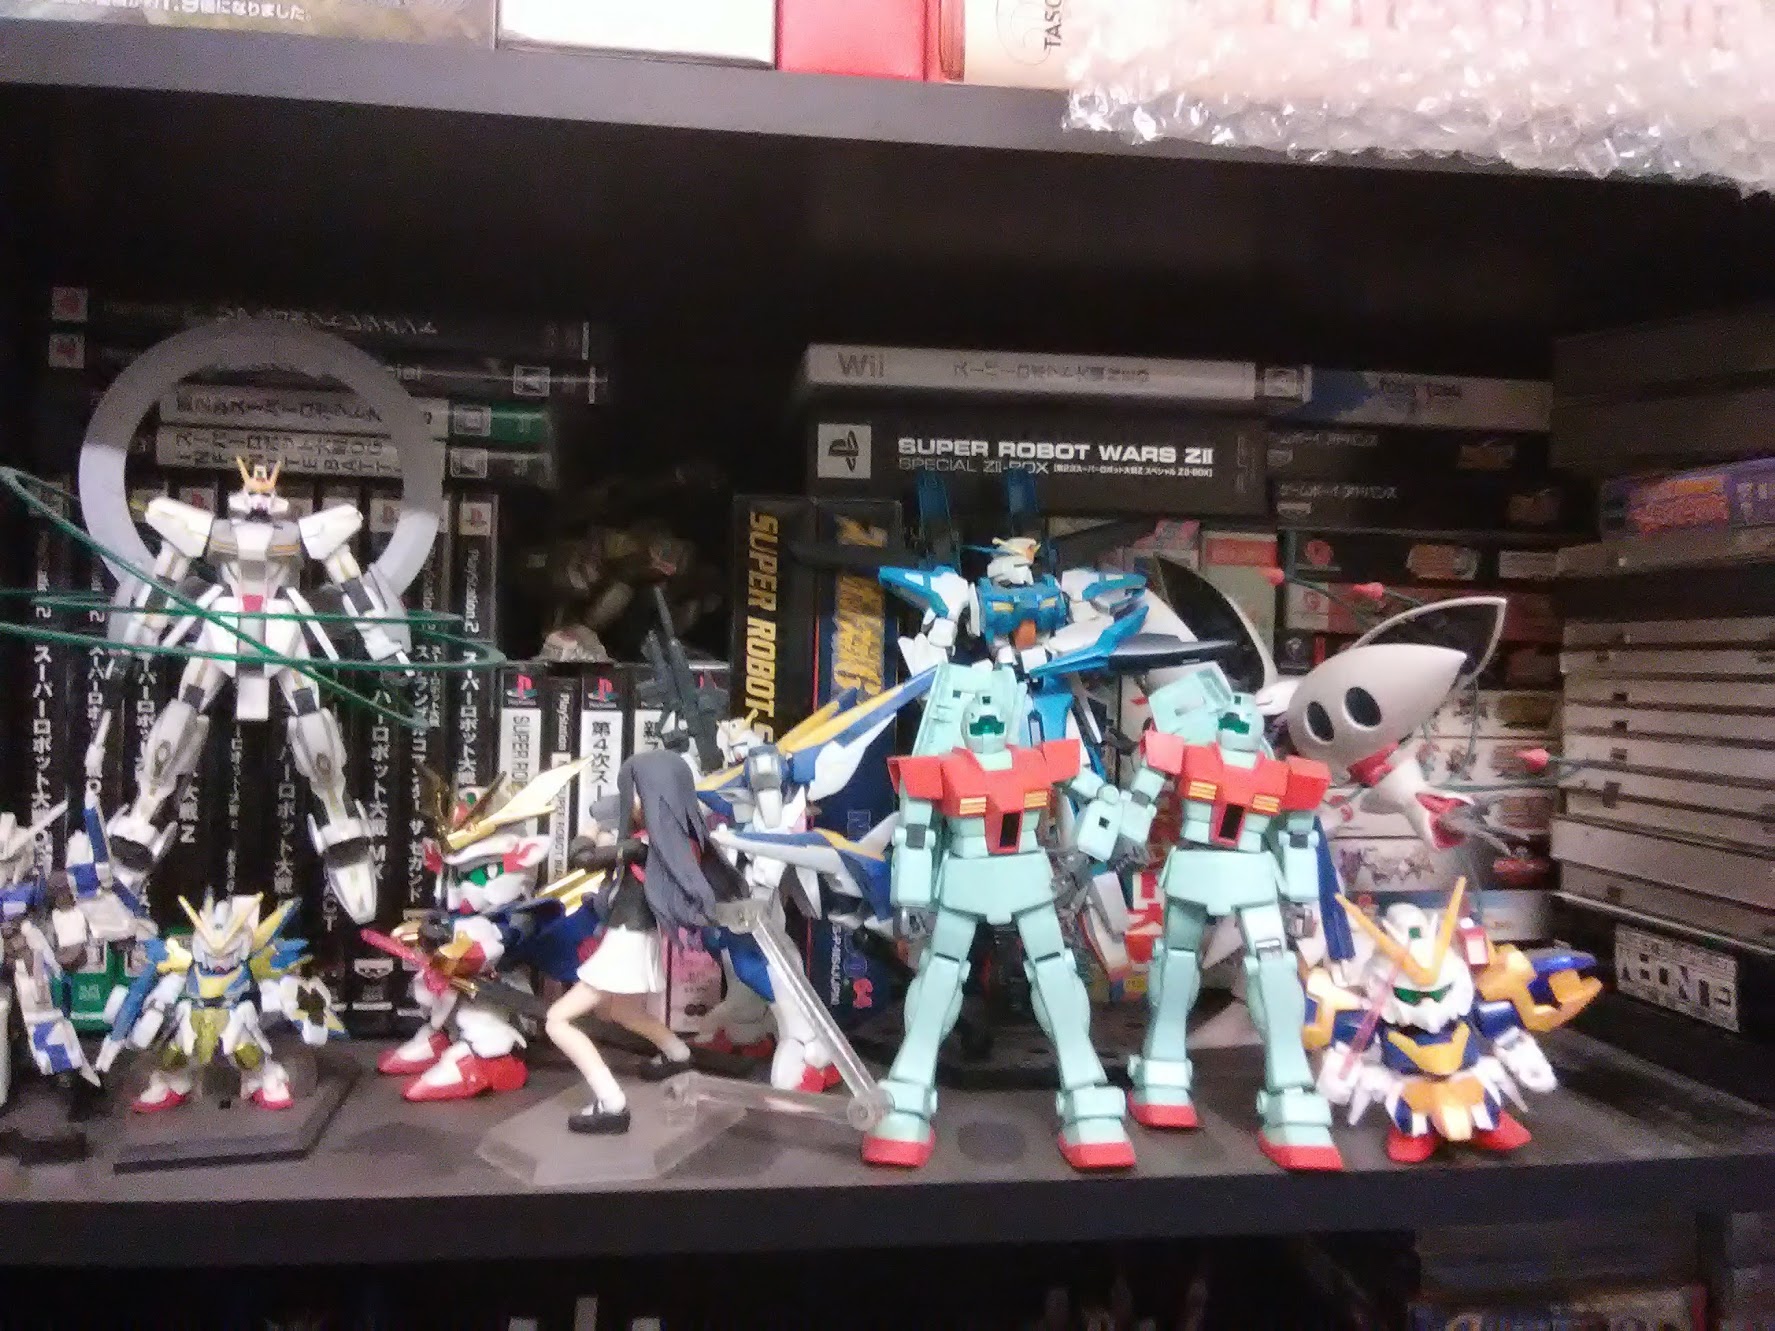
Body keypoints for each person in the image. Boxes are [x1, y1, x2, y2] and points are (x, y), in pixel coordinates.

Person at [545, 749, 745, 1134]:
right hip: (639, 939)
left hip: (626, 942)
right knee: (620, 1011)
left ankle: (611, 1103)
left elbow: (582, 858)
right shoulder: (679, 842)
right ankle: (677, 1053)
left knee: (558, 1020)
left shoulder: (644, 846)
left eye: (634, 793)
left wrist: (590, 829)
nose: (629, 803)